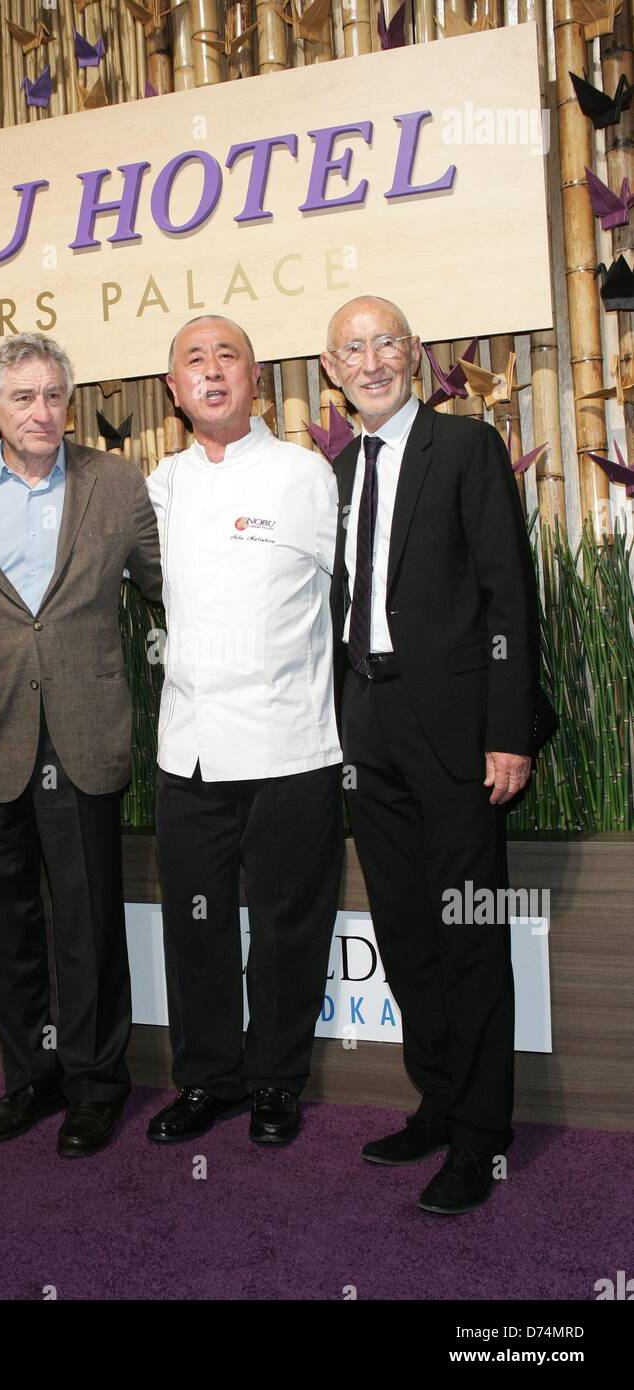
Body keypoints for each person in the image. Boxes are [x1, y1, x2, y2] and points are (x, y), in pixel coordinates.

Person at [0, 332, 161, 1157]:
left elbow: (173, 593)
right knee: (1, 923)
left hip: (82, 734)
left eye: (55, 395)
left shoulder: (115, 486)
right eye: (23, 397)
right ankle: (29, 1077)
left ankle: (95, 1085)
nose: (43, 411)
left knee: (86, 921)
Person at [322, 296, 539, 1214]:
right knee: (408, 934)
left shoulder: (465, 448)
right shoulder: (327, 473)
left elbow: (508, 596)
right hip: (365, 727)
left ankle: (483, 1135)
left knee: (469, 933)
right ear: (331, 371)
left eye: (385, 343)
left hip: (457, 732)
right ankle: (440, 1103)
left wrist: (509, 732)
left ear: (413, 355)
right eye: (351, 349)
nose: (370, 361)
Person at [144, 314, 344, 1147]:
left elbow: (348, 600)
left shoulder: (305, 473)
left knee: (289, 922)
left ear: (255, 378)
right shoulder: (162, 483)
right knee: (196, 923)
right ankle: (206, 1080)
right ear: (175, 389)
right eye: (195, 359)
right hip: (188, 742)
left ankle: (276, 1081)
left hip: (290, 741)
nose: (213, 370)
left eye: (229, 355)